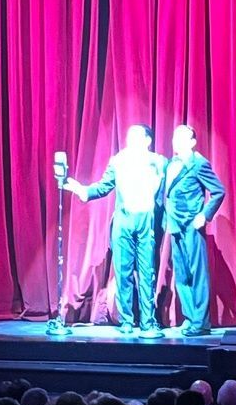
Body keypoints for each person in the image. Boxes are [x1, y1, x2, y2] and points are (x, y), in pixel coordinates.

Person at [67, 124, 165, 337]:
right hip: (123, 222)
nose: (131, 139)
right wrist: (83, 191)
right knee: (123, 272)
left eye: (137, 136)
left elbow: (164, 193)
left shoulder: (158, 161)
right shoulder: (118, 161)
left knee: (147, 273)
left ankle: (148, 322)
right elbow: (103, 187)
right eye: (130, 136)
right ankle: (127, 321)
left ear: (148, 140)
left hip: (146, 221)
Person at [161, 122, 227, 336]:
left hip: (191, 223)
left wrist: (204, 215)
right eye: (174, 138)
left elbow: (218, 191)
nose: (176, 142)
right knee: (181, 274)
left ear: (192, 142)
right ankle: (190, 318)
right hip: (174, 223)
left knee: (197, 273)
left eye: (181, 138)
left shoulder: (199, 163)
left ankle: (201, 322)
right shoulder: (170, 163)